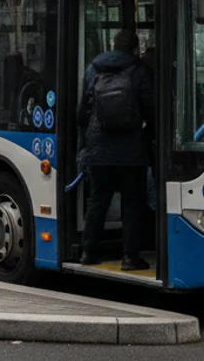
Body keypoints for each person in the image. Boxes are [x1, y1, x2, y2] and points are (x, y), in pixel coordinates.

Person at [77, 29, 155, 271]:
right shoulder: (139, 71)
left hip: (98, 149)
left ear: (112, 45)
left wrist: (88, 138)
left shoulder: (94, 69)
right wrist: (147, 136)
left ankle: (88, 251)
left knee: (98, 200)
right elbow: (151, 110)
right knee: (132, 204)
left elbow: (82, 111)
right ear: (134, 48)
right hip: (131, 150)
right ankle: (130, 257)